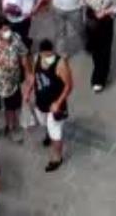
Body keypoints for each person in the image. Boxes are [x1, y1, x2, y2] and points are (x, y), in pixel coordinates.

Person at [31, 38, 73, 171]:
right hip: (40, 101)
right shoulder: (36, 58)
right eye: (44, 54)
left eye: (49, 55)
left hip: (55, 106)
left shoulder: (60, 64)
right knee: (43, 122)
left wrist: (58, 103)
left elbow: (69, 85)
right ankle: (48, 133)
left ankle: (57, 157)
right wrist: (28, 91)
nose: (46, 57)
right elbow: (34, 76)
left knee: (56, 133)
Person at [81, 0, 116, 92]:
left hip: (105, 24)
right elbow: (82, 1)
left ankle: (100, 78)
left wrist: (106, 12)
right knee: (95, 51)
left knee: (105, 51)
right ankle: (97, 68)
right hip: (92, 23)